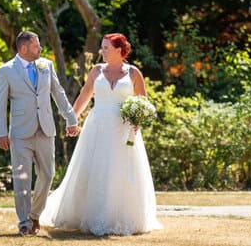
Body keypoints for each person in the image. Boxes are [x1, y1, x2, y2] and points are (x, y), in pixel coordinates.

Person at [40, 33, 163, 236]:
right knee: (94, 168)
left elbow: (143, 103)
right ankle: (89, 214)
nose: (102, 51)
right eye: (102, 47)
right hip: (96, 127)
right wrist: (73, 119)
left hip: (123, 129)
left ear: (118, 50)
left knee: (120, 171)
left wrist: (137, 122)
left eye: (106, 48)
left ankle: (119, 218)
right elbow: (84, 95)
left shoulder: (133, 73)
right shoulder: (97, 70)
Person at [0, 31, 80, 236]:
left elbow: (58, 93)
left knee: (47, 175)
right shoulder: (6, 71)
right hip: (20, 133)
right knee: (22, 178)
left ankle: (34, 214)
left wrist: (71, 118)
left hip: (46, 129)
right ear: (23, 49)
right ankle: (24, 222)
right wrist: (1, 132)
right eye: (36, 46)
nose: (40, 49)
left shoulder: (46, 66)